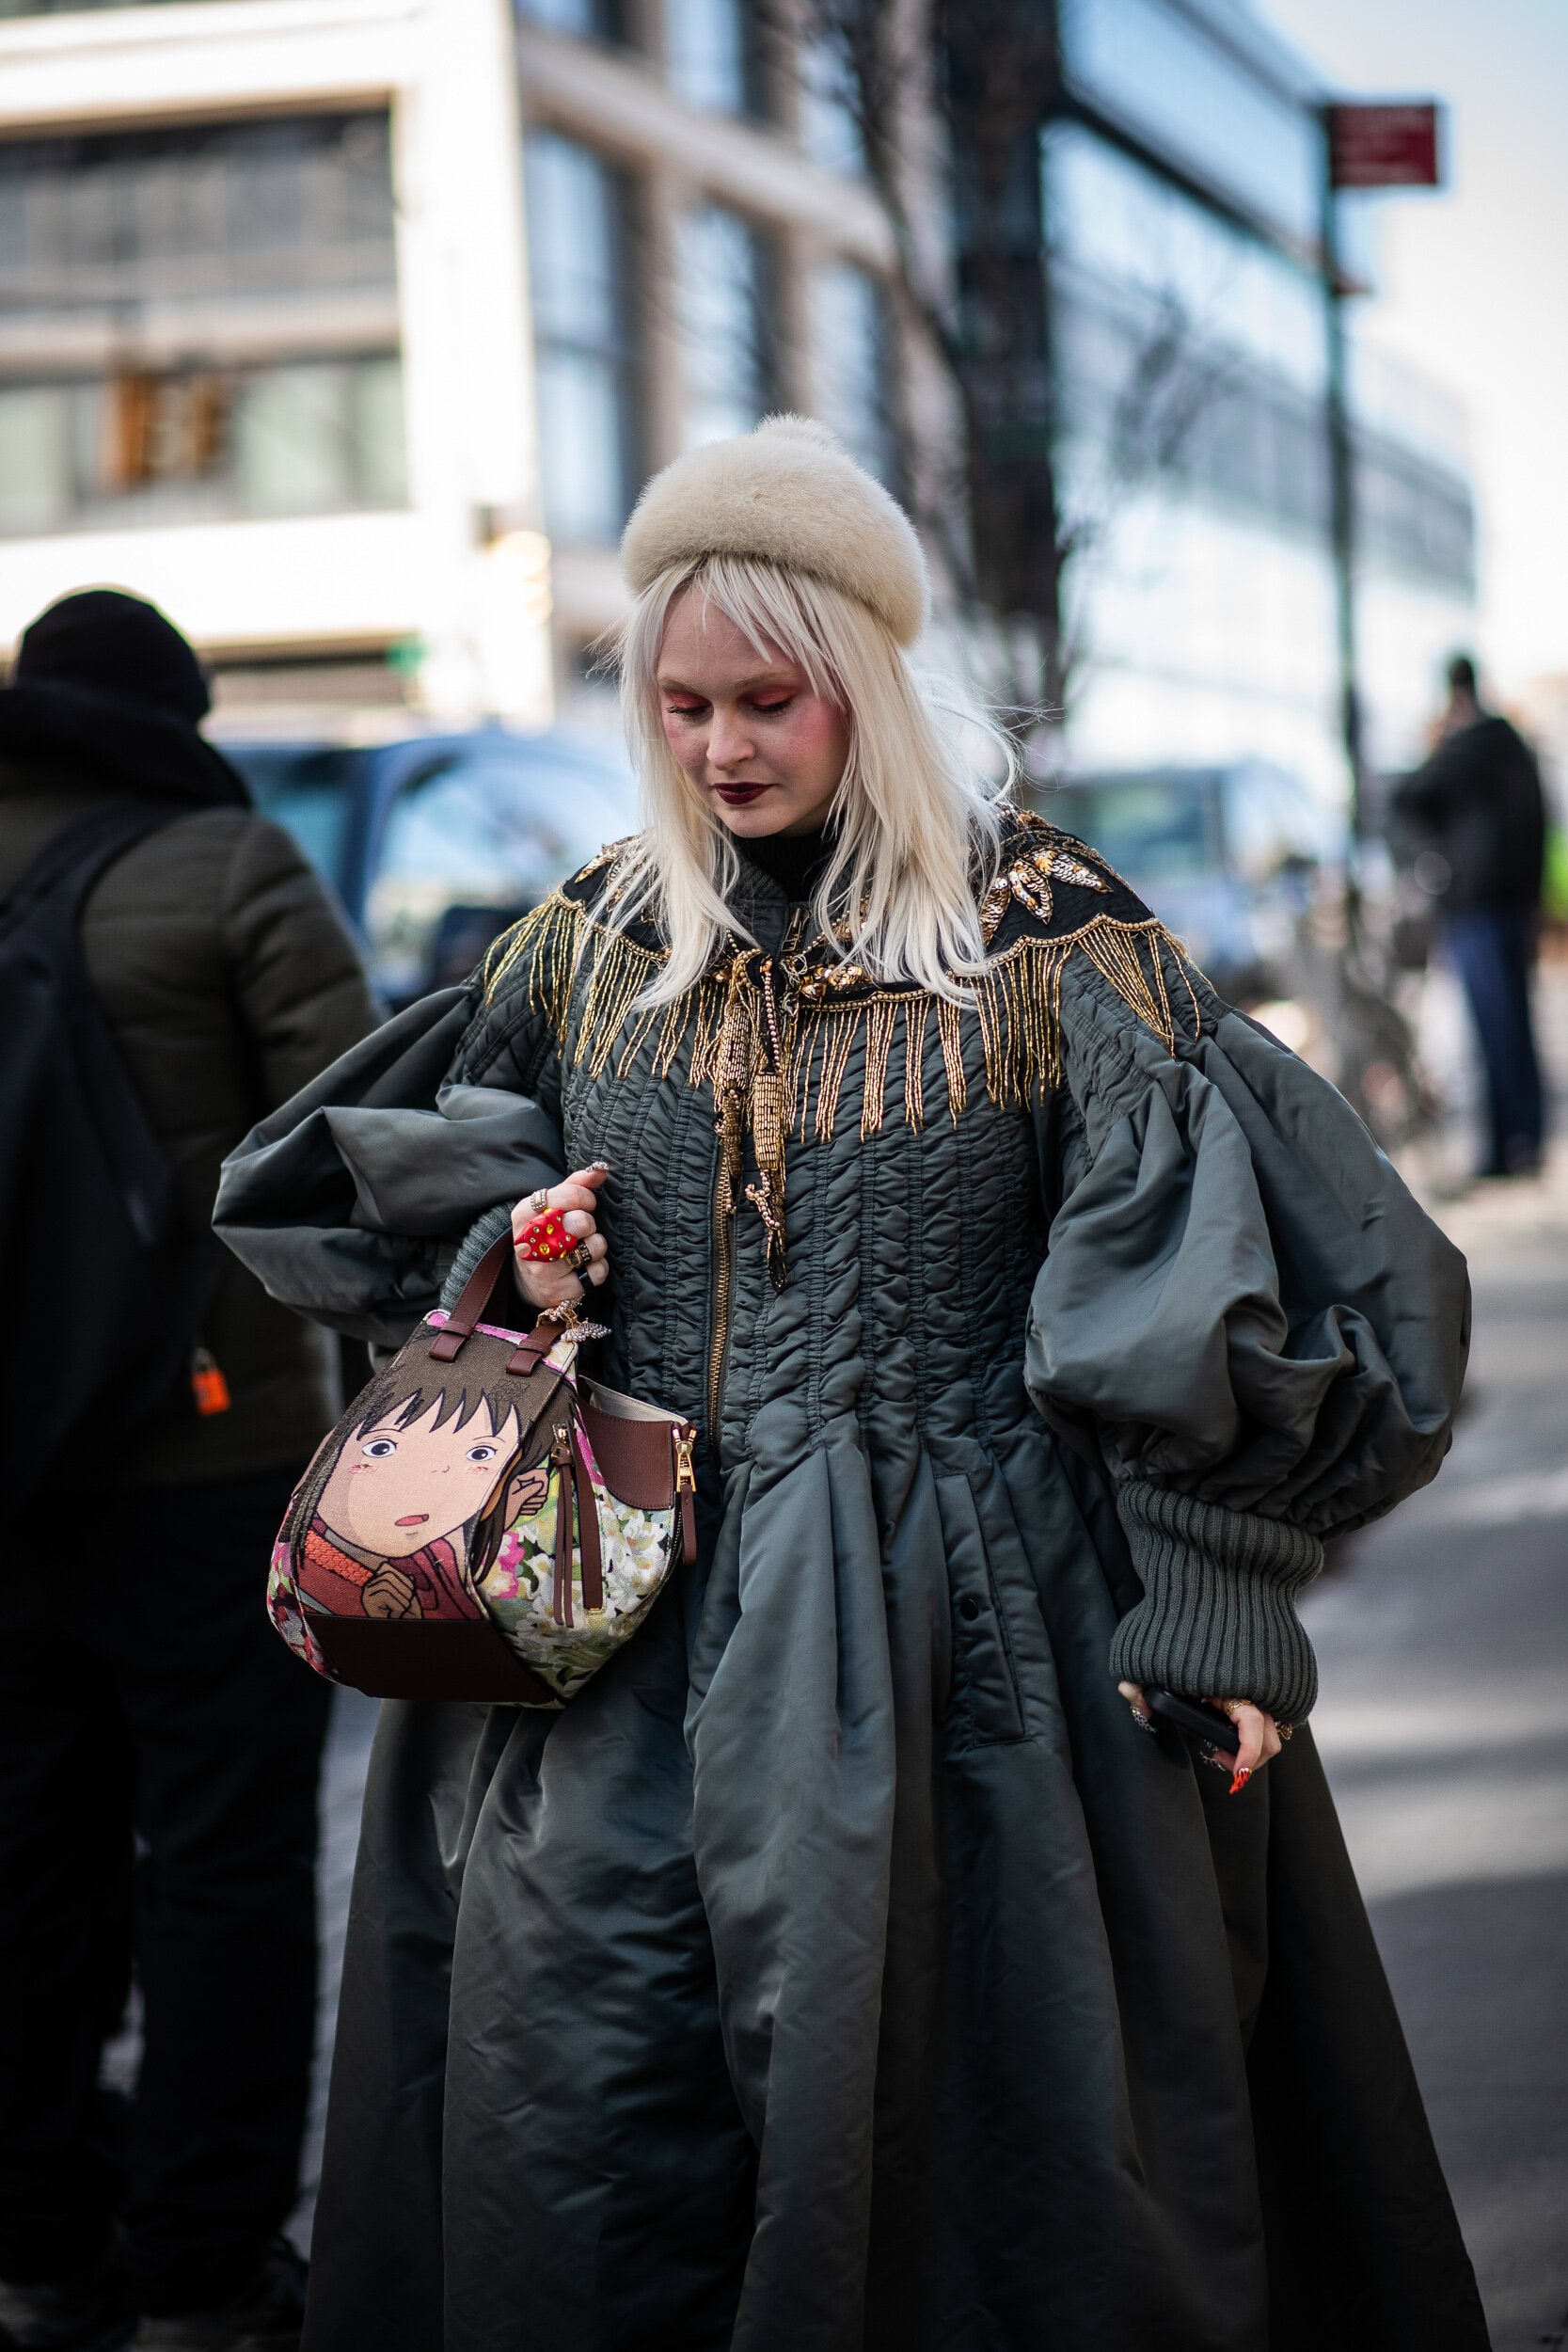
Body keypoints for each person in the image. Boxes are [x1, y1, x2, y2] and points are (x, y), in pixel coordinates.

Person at [217, 420, 1487, 2350]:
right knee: (589, 2110)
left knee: (991, 2149)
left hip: (974, 1649)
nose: (720, 744)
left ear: (860, 686)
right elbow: (418, 1202)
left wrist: (1216, 1599)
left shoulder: (1053, 939)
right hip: (613, 1633)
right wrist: (531, 1269)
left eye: (766, 699)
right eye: (679, 703)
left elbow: (1238, 1270)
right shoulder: (589, 937)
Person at [0, 592, 375, 2352]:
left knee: (25, 1869)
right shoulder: (233, 869)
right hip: (208, 1461)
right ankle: (207, 2273)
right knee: (226, 1868)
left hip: (5, 1489)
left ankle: (42, 2249)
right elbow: (361, 1171)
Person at [1395, 651, 1547, 1177]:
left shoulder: (1460, 748)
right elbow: (1541, 823)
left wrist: (1436, 854)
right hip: (1515, 907)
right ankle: (1527, 1139)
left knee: (1491, 1028)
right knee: (1519, 1024)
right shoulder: (1513, 746)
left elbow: (1408, 796)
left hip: (1476, 908)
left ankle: (1504, 1150)